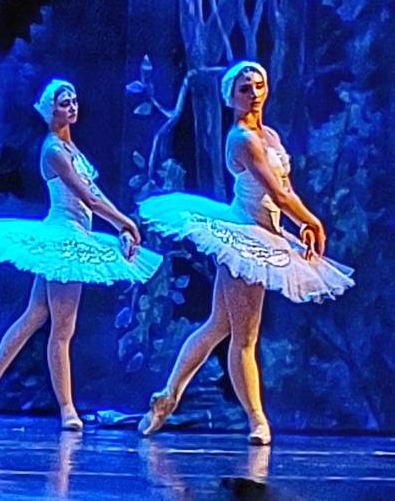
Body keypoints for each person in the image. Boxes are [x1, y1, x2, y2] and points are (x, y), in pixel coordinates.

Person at [136, 61, 354, 444]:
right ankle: (257, 420)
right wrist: (312, 221)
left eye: (258, 86)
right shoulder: (242, 139)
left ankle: (167, 397)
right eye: (244, 89)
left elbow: (284, 189)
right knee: (244, 336)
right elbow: (277, 194)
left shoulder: (268, 135)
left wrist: (298, 224)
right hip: (244, 236)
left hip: (267, 232)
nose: (253, 94)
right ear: (231, 97)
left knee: (218, 325)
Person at [0, 79, 162, 430]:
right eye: (64, 102)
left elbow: (94, 191)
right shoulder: (53, 150)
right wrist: (125, 222)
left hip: (74, 233)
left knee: (34, 316)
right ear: (49, 109)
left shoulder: (72, 150)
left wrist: (121, 224)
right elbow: (88, 199)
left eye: (73, 101)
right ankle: (67, 408)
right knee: (62, 330)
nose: (71, 107)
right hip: (63, 238)